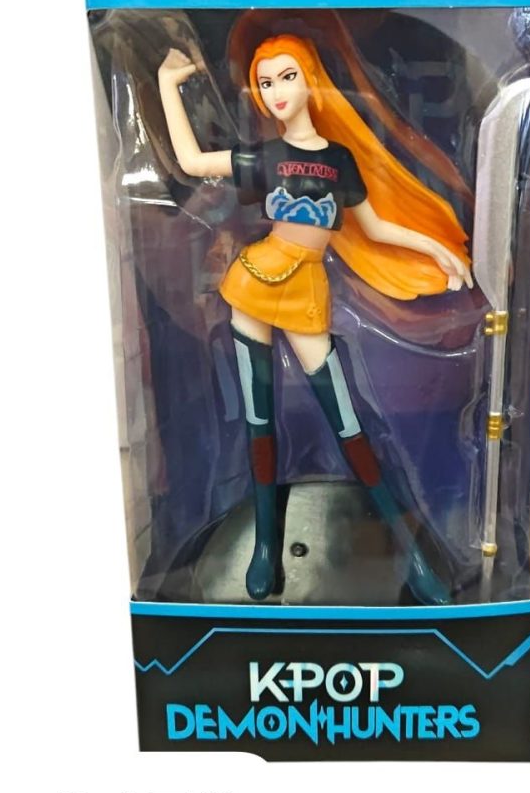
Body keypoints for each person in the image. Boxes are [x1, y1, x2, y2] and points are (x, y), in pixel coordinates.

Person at [157, 33, 471, 604]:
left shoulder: (338, 159)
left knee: (347, 422)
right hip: (252, 283)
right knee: (259, 421)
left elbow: (375, 228)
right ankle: (265, 547)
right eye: (265, 82)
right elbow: (191, 162)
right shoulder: (266, 157)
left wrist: (437, 248)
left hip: (306, 289)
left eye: (287, 76)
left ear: (310, 79)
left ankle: (413, 554)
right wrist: (166, 83)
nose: (276, 91)